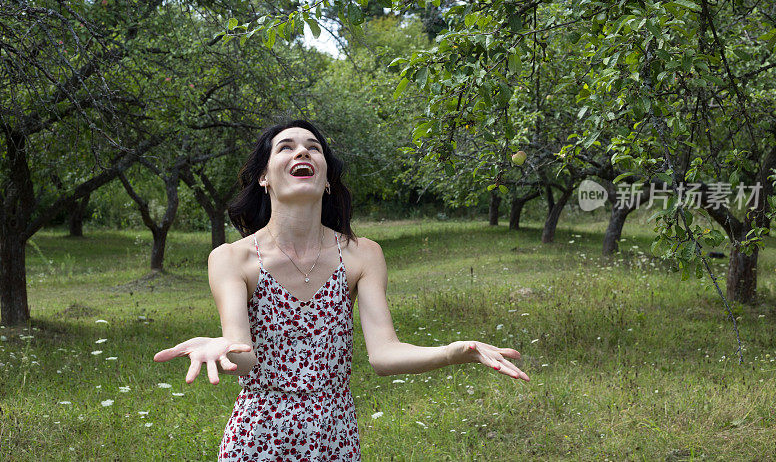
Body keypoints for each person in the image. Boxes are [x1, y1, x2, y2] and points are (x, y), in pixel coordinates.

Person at [153, 119, 529, 461]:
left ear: (327, 177)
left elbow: (384, 355)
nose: (302, 151)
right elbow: (245, 358)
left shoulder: (363, 254)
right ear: (263, 177)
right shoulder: (232, 258)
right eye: (285, 147)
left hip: (334, 438)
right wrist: (222, 346)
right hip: (257, 438)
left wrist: (453, 352)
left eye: (313, 147)